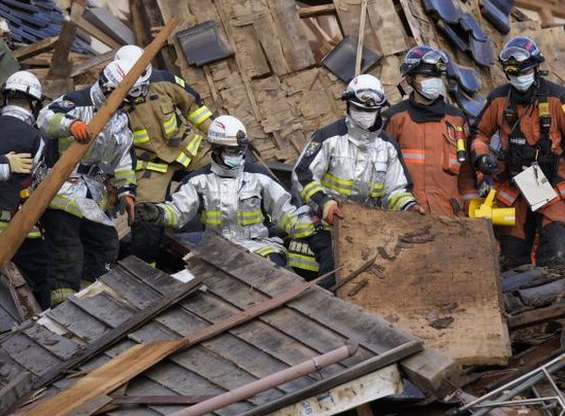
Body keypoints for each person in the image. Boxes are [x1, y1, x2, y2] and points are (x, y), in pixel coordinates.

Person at [135, 115, 332, 274]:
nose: (238, 155)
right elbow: (178, 211)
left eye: (241, 150)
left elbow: (287, 212)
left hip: (262, 247)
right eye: (232, 150)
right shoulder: (198, 181)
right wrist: (159, 213)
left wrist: (314, 228)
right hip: (217, 251)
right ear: (216, 148)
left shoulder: (259, 177)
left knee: (280, 281)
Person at [470, 36, 565, 268]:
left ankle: (555, 296)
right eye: (513, 74)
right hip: (513, 183)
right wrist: (481, 156)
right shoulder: (499, 99)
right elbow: (478, 133)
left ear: (537, 67)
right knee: (512, 258)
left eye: (524, 72)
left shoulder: (560, 98)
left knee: (553, 253)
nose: (519, 78)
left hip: (550, 183)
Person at [37, 59, 138, 306]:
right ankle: (61, 306)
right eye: (123, 99)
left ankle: (88, 298)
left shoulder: (120, 119)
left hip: (92, 190)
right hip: (59, 189)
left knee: (105, 244)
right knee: (67, 249)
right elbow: (44, 118)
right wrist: (70, 125)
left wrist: (127, 191)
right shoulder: (75, 101)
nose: (125, 105)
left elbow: (124, 157)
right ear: (107, 89)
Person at [113, 45, 214, 265]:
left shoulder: (164, 81)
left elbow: (194, 108)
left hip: (187, 150)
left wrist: (218, 135)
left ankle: (220, 247)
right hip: (149, 165)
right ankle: (147, 268)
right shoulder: (110, 100)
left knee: (223, 178)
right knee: (145, 216)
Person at [293, 74, 422, 227]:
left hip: (368, 230)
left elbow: (396, 189)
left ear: (379, 109)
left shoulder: (388, 147)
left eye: (370, 111)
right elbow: (303, 174)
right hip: (326, 225)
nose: (364, 115)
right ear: (348, 105)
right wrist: (324, 203)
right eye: (358, 108)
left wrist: (409, 206)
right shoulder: (328, 138)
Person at [382, 45, 477, 216]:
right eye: (426, 76)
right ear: (410, 79)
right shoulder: (395, 118)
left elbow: (466, 174)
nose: (433, 81)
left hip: (449, 216)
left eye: (436, 76)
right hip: (407, 214)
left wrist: (472, 207)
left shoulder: (456, 119)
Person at [0, 71, 49, 307]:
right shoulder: (36, 139)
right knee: (42, 278)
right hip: (17, 228)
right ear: (33, 103)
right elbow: (40, 183)